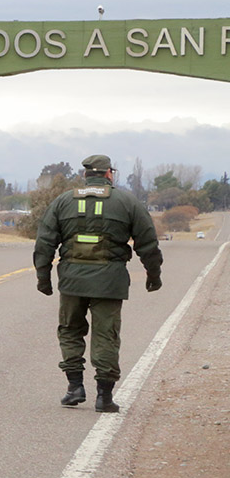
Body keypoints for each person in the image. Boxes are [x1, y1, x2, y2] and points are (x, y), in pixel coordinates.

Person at [34, 154, 163, 413]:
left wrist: (43, 277)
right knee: (106, 335)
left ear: (85, 175)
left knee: (70, 330)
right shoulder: (127, 202)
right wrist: (153, 274)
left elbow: (45, 242)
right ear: (109, 174)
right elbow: (147, 242)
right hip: (110, 282)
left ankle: (74, 388)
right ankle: (104, 397)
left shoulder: (63, 201)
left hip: (72, 281)